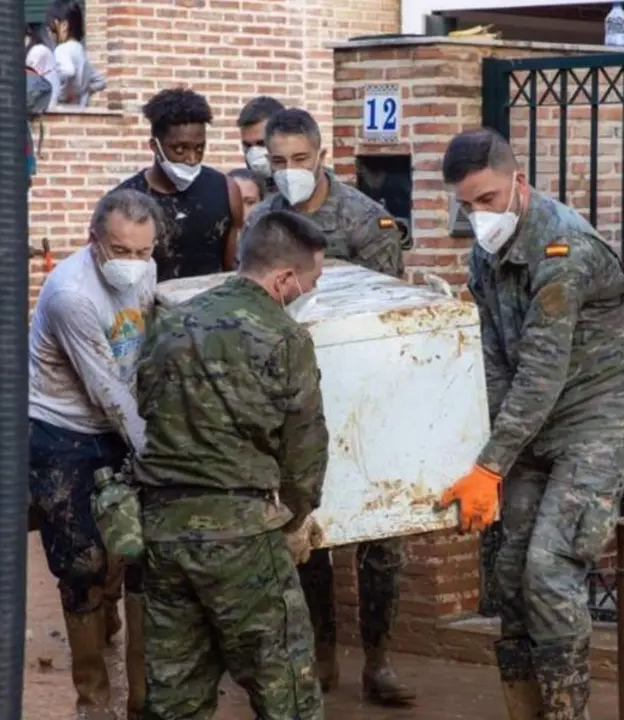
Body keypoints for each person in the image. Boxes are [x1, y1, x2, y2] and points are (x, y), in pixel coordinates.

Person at [436, 128, 624, 720]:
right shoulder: (485, 252)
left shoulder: (565, 252)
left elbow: (541, 371)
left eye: (488, 199)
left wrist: (490, 464)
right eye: (467, 204)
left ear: (518, 183)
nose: (479, 215)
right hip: (533, 426)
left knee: (549, 569)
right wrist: (497, 458)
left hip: (597, 419)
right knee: (509, 573)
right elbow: (495, 360)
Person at [244, 107, 414, 706]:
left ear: (322, 156)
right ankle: (320, 652)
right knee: (306, 526)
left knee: (382, 535)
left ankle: (380, 658)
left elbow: (390, 308)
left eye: (299, 159)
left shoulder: (368, 222)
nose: (289, 171)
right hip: (295, 396)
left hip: (366, 394)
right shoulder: (263, 219)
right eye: (278, 161)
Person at [134, 209, 330, 719]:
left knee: (175, 693)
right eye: (312, 280)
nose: (309, 291)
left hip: (161, 532)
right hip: (242, 536)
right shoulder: (285, 338)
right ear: (285, 278)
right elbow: (305, 450)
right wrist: (294, 517)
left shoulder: (168, 321)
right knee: (285, 687)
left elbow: (145, 406)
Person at [27, 188, 159, 719]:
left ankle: (145, 702)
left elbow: (143, 355)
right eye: (121, 251)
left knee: (141, 555)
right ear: (94, 241)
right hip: (61, 429)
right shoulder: (71, 295)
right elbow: (105, 390)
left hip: (121, 421)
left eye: (143, 253)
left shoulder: (145, 272)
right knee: (81, 563)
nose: (132, 265)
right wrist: (158, 452)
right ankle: (94, 701)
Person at [115, 87, 243, 282]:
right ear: (154, 146)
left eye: (199, 148)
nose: (191, 159)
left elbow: (232, 268)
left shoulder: (226, 190)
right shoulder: (125, 200)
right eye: (180, 149)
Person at [46, 0, 106, 108]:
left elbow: (68, 71)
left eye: (52, 27)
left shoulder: (61, 49)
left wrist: (63, 94)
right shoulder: (81, 52)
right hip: (80, 111)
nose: (51, 34)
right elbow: (101, 81)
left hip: (62, 111)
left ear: (64, 25)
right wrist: (83, 92)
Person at [236, 95, 285, 198]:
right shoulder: (242, 193)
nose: (254, 152)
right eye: (247, 146)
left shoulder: (312, 189)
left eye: (261, 144)